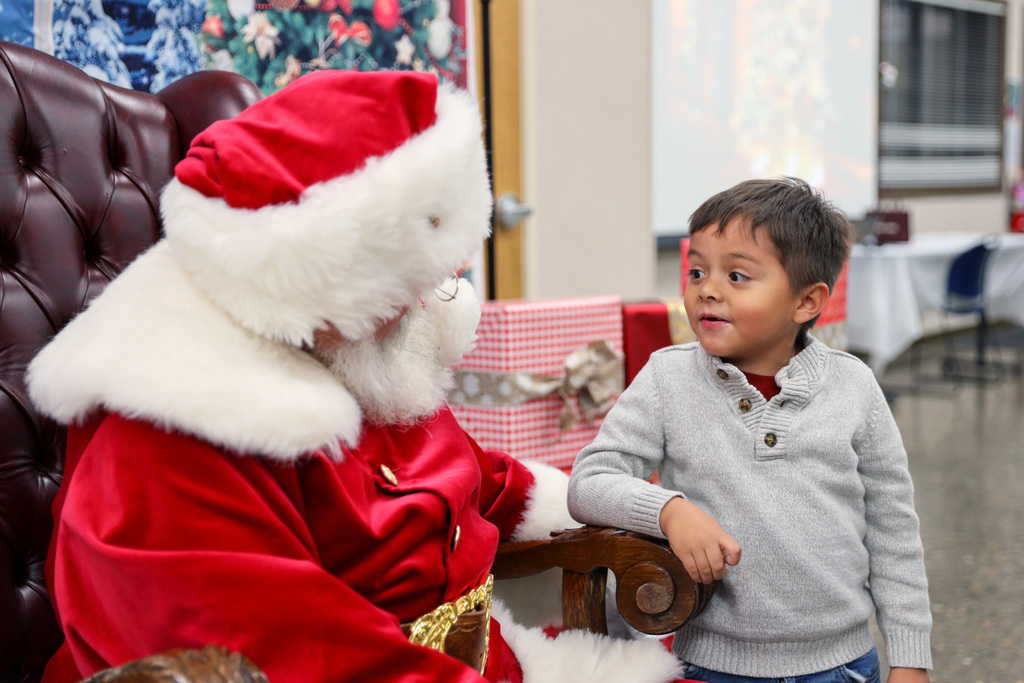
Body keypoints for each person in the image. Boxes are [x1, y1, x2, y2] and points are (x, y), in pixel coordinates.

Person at [28, 70, 685, 683]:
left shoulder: (351, 348)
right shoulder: (169, 441)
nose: (430, 294)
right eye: (398, 275)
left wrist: (638, 512)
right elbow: (293, 654)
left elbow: (465, 476)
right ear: (313, 272)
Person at [567, 178, 932, 683]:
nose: (707, 289)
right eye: (696, 271)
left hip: (842, 666)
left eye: (737, 275)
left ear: (807, 302)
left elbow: (893, 530)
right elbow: (589, 482)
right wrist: (669, 511)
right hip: (712, 666)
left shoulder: (854, 387)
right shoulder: (667, 378)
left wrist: (910, 658)